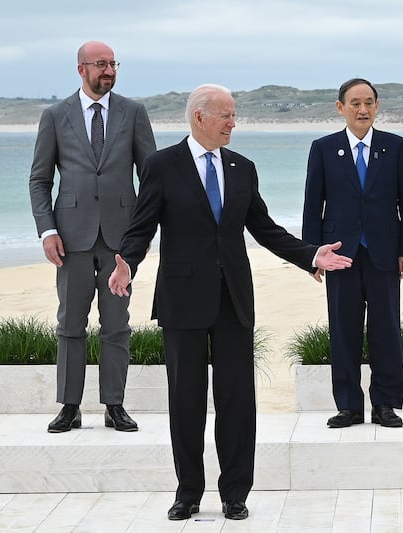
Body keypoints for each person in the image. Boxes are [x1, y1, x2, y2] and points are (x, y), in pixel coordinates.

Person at [108, 84, 352, 521]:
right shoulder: (162, 166)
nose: (233, 123)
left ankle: (235, 492)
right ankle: (188, 492)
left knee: (237, 400)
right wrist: (127, 261)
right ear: (199, 117)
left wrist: (311, 255)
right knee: (186, 399)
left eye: (234, 115)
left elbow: (265, 228)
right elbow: (141, 226)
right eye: (225, 115)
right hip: (182, 299)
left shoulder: (243, 168)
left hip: (234, 298)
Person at [28, 40, 156, 434]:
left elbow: (150, 177)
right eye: (101, 64)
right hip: (71, 239)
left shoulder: (134, 112)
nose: (109, 71)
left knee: (117, 324)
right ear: (81, 69)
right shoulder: (55, 115)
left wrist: (142, 235)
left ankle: (114, 405)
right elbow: (40, 179)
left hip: (121, 240)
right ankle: (69, 406)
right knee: (70, 323)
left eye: (113, 63)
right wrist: (47, 229)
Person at [302, 78, 403, 429]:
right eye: (355, 103)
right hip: (339, 253)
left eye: (369, 102)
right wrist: (311, 255)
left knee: (386, 330)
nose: (362, 109)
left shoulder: (395, 147)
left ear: (377, 106)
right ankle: (349, 405)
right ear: (341, 108)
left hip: (384, 252)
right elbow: (313, 204)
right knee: (343, 330)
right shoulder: (323, 148)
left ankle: (385, 403)